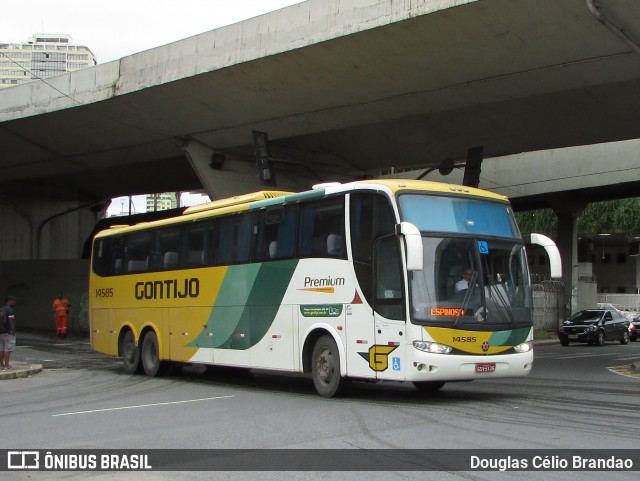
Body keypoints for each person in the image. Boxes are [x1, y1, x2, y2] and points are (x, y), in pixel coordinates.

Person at [1, 295, 17, 370]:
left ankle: (1, 363)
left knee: (2, 348)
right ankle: (7, 364)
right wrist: (13, 331)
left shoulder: (1, 309)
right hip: (8, 332)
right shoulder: (10, 310)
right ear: (10, 300)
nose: (15, 302)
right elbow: (11, 321)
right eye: (14, 301)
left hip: (1, 331)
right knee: (8, 349)